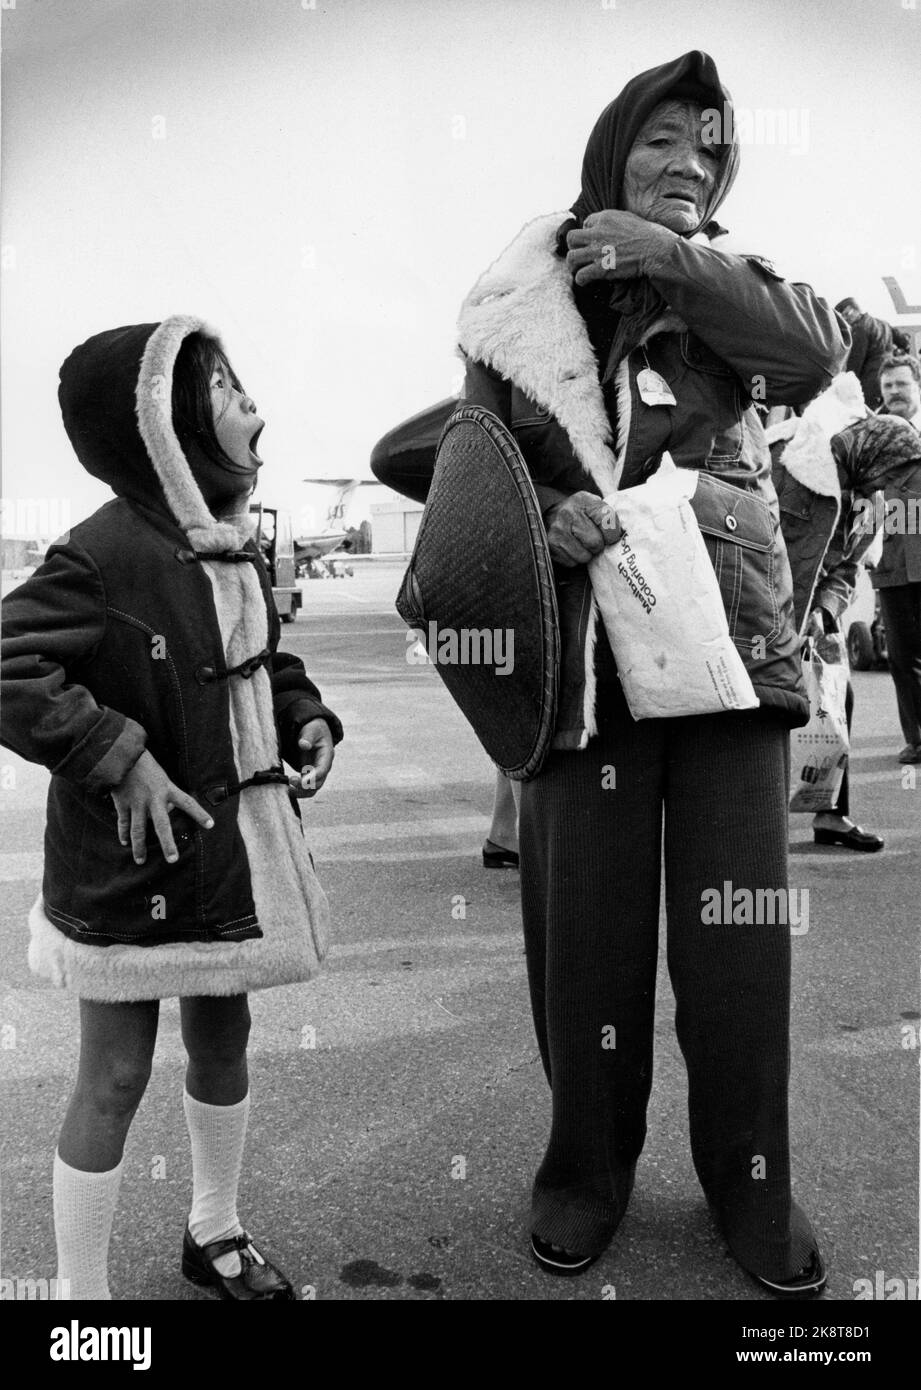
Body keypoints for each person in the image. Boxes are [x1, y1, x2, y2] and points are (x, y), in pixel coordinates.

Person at [374, 51, 849, 1296]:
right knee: (583, 948)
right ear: (610, 149)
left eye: (711, 143)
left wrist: (666, 251)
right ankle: (583, 1174)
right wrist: (550, 513)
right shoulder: (514, 312)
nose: (691, 160)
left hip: (734, 659)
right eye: (662, 139)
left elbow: (814, 353)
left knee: (740, 946)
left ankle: (754, 1188)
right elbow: (462, 467)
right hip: (585, 672)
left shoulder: (736, 286)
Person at [0, 317, 343, 1300]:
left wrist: (304, 713)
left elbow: (263, 663)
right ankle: (78, 1298)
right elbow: (10, 663)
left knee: (224, 1038)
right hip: (125, 867)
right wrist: (117, 753)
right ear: (163, 427)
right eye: (229, 392)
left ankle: (216, 1230)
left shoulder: (231, 546)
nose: (256, 406)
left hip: (222, 863)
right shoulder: (100, 554)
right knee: (111, 1077)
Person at [768, 374, 921, 836]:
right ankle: (758, 821)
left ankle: (830, 813)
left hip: (813, 614)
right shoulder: (790, 460)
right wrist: (777, 615)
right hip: (763, 609)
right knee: (771, 707)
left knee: (839, 698)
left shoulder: (872, 495)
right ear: (875, 453)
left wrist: (825, 611)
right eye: (895, 476)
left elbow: (850, 566)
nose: (892, 487)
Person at [875, 354, 921, 761]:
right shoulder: (868, 435)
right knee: (903, 657)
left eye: (901, 384)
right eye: (888, 386)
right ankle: (919, 739)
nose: (894, 393)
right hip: (891, 563)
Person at [834, 298, 895, 411]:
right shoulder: (883, 323)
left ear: (855, 310)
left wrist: (846, 382)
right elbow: (903, 342)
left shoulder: (860, 329)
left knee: (866, 412)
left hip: (870, 379)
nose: (846, 319)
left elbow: (856, 361)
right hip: (888, 375)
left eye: (846, 315)